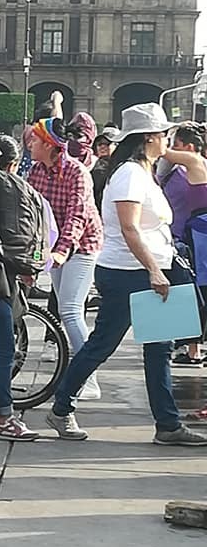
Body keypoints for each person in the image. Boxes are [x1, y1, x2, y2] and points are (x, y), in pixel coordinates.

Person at [46, 103, 207, 447]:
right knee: (105, 344)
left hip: (152, 268)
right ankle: (62, 406)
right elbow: (129, 228)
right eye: (164, 134)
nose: (168, 140)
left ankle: (168, 424)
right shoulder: (131, 174)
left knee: (157, 348)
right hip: (130, 272)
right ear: (150, 137)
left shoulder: (141, 170)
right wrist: (153, 271)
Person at [28, 115, 103, 400]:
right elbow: (32, 214)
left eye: (35, 139)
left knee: (71, 309)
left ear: (49, 144)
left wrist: (63, 249)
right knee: (64, 310)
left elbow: (78, 215)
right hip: (54, 246)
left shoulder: (76, 172)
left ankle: (89, 379)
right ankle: (81, 374)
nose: (31, 143)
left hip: (83, 245)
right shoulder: (35, 171)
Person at [0, 135, 39, 441]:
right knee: (4, 347)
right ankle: (3, 414)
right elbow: (24, 234)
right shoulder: (13, 187)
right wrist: (27, 267)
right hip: (0, 277)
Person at [159, 122, 207, 366]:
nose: (173, 149)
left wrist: (161, 132)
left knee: (199, 288)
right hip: (199, 228)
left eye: (178, 145)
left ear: (189, 147)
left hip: (201, 231)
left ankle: (193, 350)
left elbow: (161, 151)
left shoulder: (195, 161)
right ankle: (193, 346)